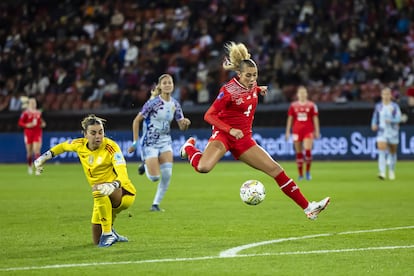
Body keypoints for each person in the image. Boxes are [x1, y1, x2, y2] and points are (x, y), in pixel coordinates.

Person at [180, 42, 330, 220]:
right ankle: (189, 148)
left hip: (244, 140)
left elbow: (249, 92)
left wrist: (259, 89)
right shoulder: (227, 90)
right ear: (239, 74)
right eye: (248, 76)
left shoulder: (253, 84)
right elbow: (209, 115)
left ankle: (309, 208)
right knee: (204, 167)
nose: (252, 79)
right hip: (224, 136)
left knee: (276, 170)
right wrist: (230, 130)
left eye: (255, 76)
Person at [33, 114, 136, 247]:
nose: (98, 136)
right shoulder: (80, 145)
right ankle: (112, 233)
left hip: (122, 193)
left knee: (98, 189)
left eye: (101, 132)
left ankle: (108, 233)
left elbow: (123, 174)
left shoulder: (111, 147)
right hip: (100, 196)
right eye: (93, 133)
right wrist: (42, 159)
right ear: (85, 134)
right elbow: (63, 146)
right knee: (96, 240)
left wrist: (113, 184)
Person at [128, 74, 191, 212]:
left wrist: (185, 123)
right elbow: (136, 120)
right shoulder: (153, 103)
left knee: (167, 174)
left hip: (165, 141)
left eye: (170, 82)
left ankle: (155, 204)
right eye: (165, 83)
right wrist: (134, 142)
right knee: (155, 177)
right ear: (160, 86)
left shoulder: (175, 104)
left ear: (173, 85)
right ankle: (145, 165)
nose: (168, 85)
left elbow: (181, 126)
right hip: (150, 142)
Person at [285, 86, 320, 180]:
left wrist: (317, 131)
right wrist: (288, 131)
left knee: (308, 151)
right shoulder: (293, 105)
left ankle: (308, 172)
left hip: (308, 130)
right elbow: (290, 119)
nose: (302, 94)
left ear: (307, 94)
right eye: (300, 93)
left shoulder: (312, 105)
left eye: (304, 92)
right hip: (297, 130)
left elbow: (315, 118)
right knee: (299, 153)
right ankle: (300, 174)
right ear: (297, 94)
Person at [371, 87, 402, 180]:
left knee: (392, 151)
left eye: (388, 94)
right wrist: (373, 124)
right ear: (381, 95)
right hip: (382, 131)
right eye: (384, 94)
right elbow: (374, 117)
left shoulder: (395, 106)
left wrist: (391, 120)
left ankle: (391, 170)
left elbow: (399, 118)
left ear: (390, 95)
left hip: (393, 132)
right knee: (381, 150)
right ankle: (382, 172)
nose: (386, 96)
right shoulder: (378, 106)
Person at [18, 97, 46, 175]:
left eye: (34, 103)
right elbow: (20, 122)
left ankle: (38, 169)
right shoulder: (25, 113)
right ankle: (30, 166)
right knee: (29, 152)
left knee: (36, 151)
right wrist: (27, 125)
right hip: (28, 133)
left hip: (37, 133)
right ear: (29, 104)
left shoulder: (38, 113)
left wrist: (43, 124)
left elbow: (40, 121)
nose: (33, 104)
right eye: (32, 103)